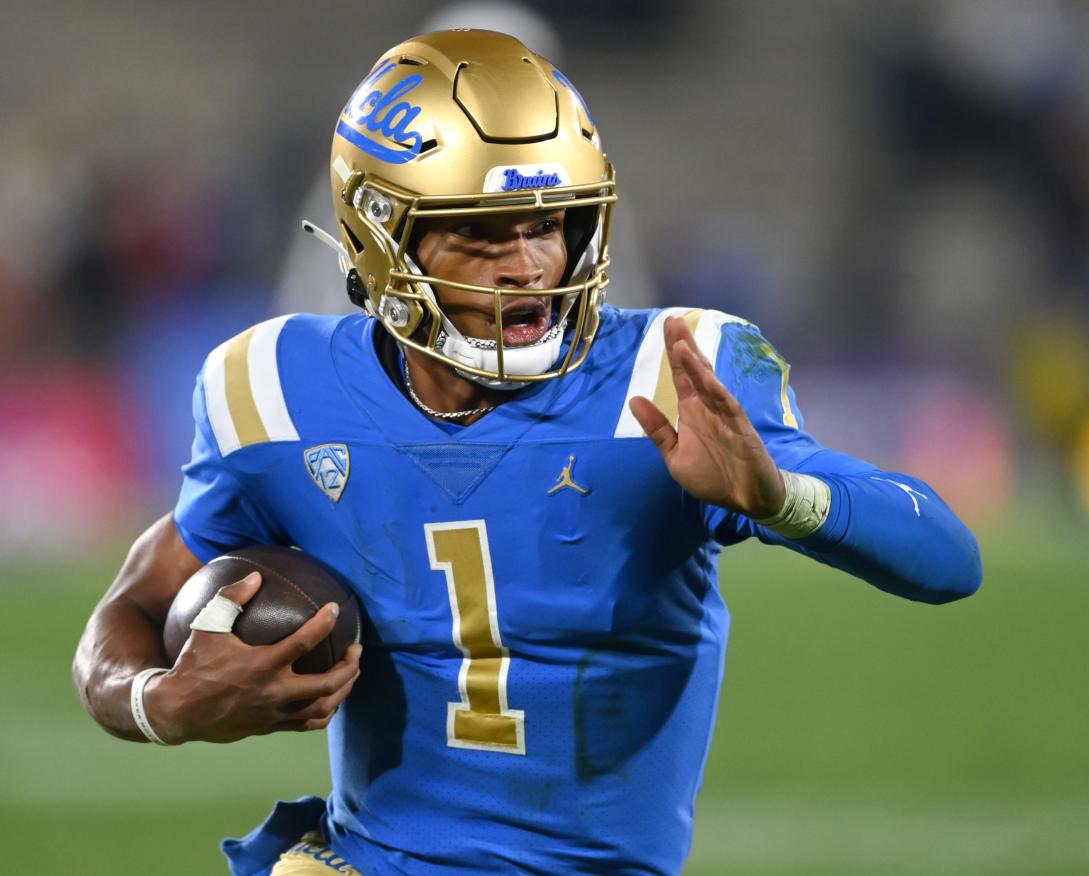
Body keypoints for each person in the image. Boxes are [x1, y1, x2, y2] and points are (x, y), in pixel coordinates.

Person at [73, 29, 982, 876]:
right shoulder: (271, 390)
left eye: (549, 224)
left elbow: (949, 560)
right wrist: (163, 703)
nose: (529, 267)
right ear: (380, 235)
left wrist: (783, 496)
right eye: (479, 233)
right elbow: (130, 613)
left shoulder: (673, 379)